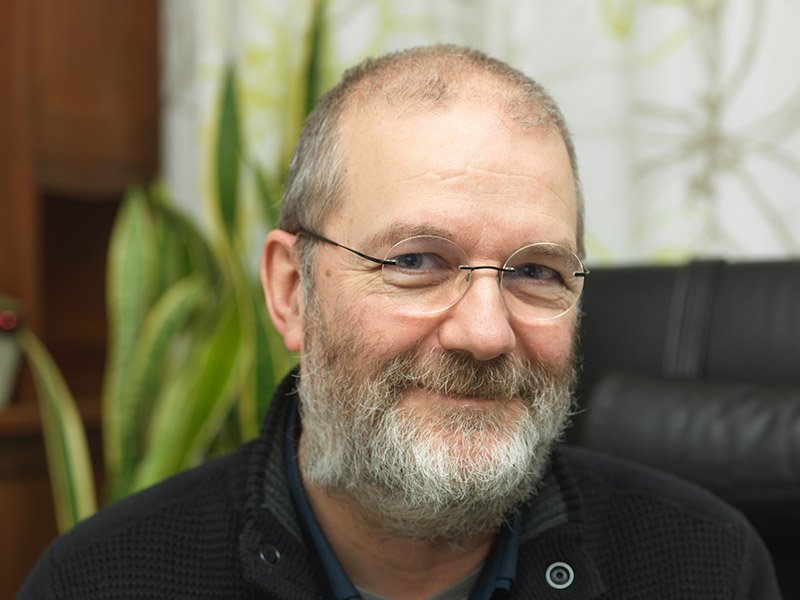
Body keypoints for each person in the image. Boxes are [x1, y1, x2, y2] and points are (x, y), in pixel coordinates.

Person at [19, 44, 781, 600]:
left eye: (536, 273)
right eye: (416, 261)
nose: (485, 333)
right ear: (291, 291)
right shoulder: (102, 581)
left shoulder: (708, 567)